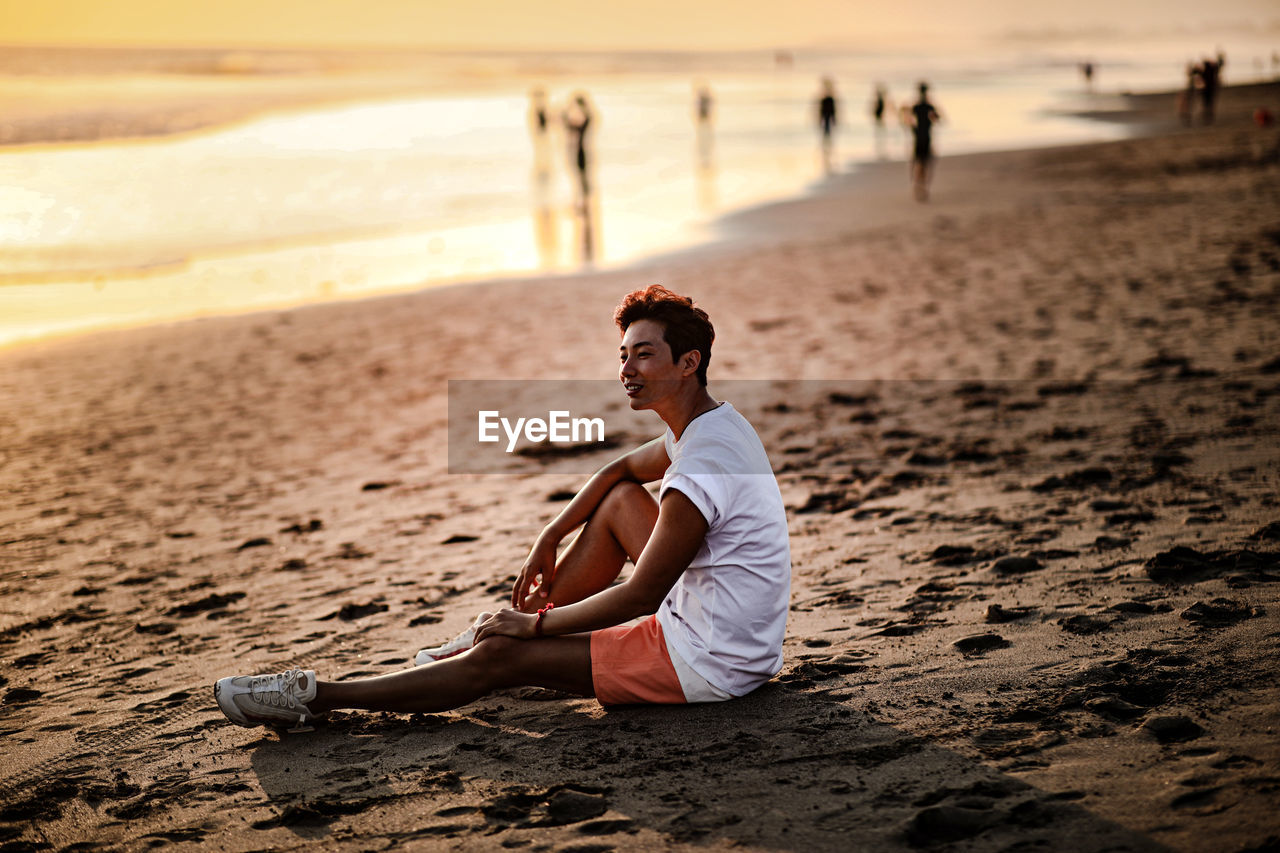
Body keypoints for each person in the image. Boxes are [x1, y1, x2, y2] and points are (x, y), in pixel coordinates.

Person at [214, 285, 792, 730]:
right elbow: (618, 473)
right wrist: (551, 533)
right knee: (618, 502)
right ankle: (509, 639)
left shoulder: (702, 463)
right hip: (730, 630)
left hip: (707, 662)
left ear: (688, 363)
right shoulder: (709, 426)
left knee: (499, 660)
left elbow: (641, 593)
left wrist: (532, 624)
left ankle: (316, 697)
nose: (627, 371)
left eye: (644, 355)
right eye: (623, 356)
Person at [909, 81, 942, 202]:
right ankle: (924, 186)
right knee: (927, 163)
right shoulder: (929, 106)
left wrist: (914, 130)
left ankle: (918, 184)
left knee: (918, 162)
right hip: (926, 138)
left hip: (918, 138)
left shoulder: (916, 106)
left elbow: (909, 121)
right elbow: (938, 119)